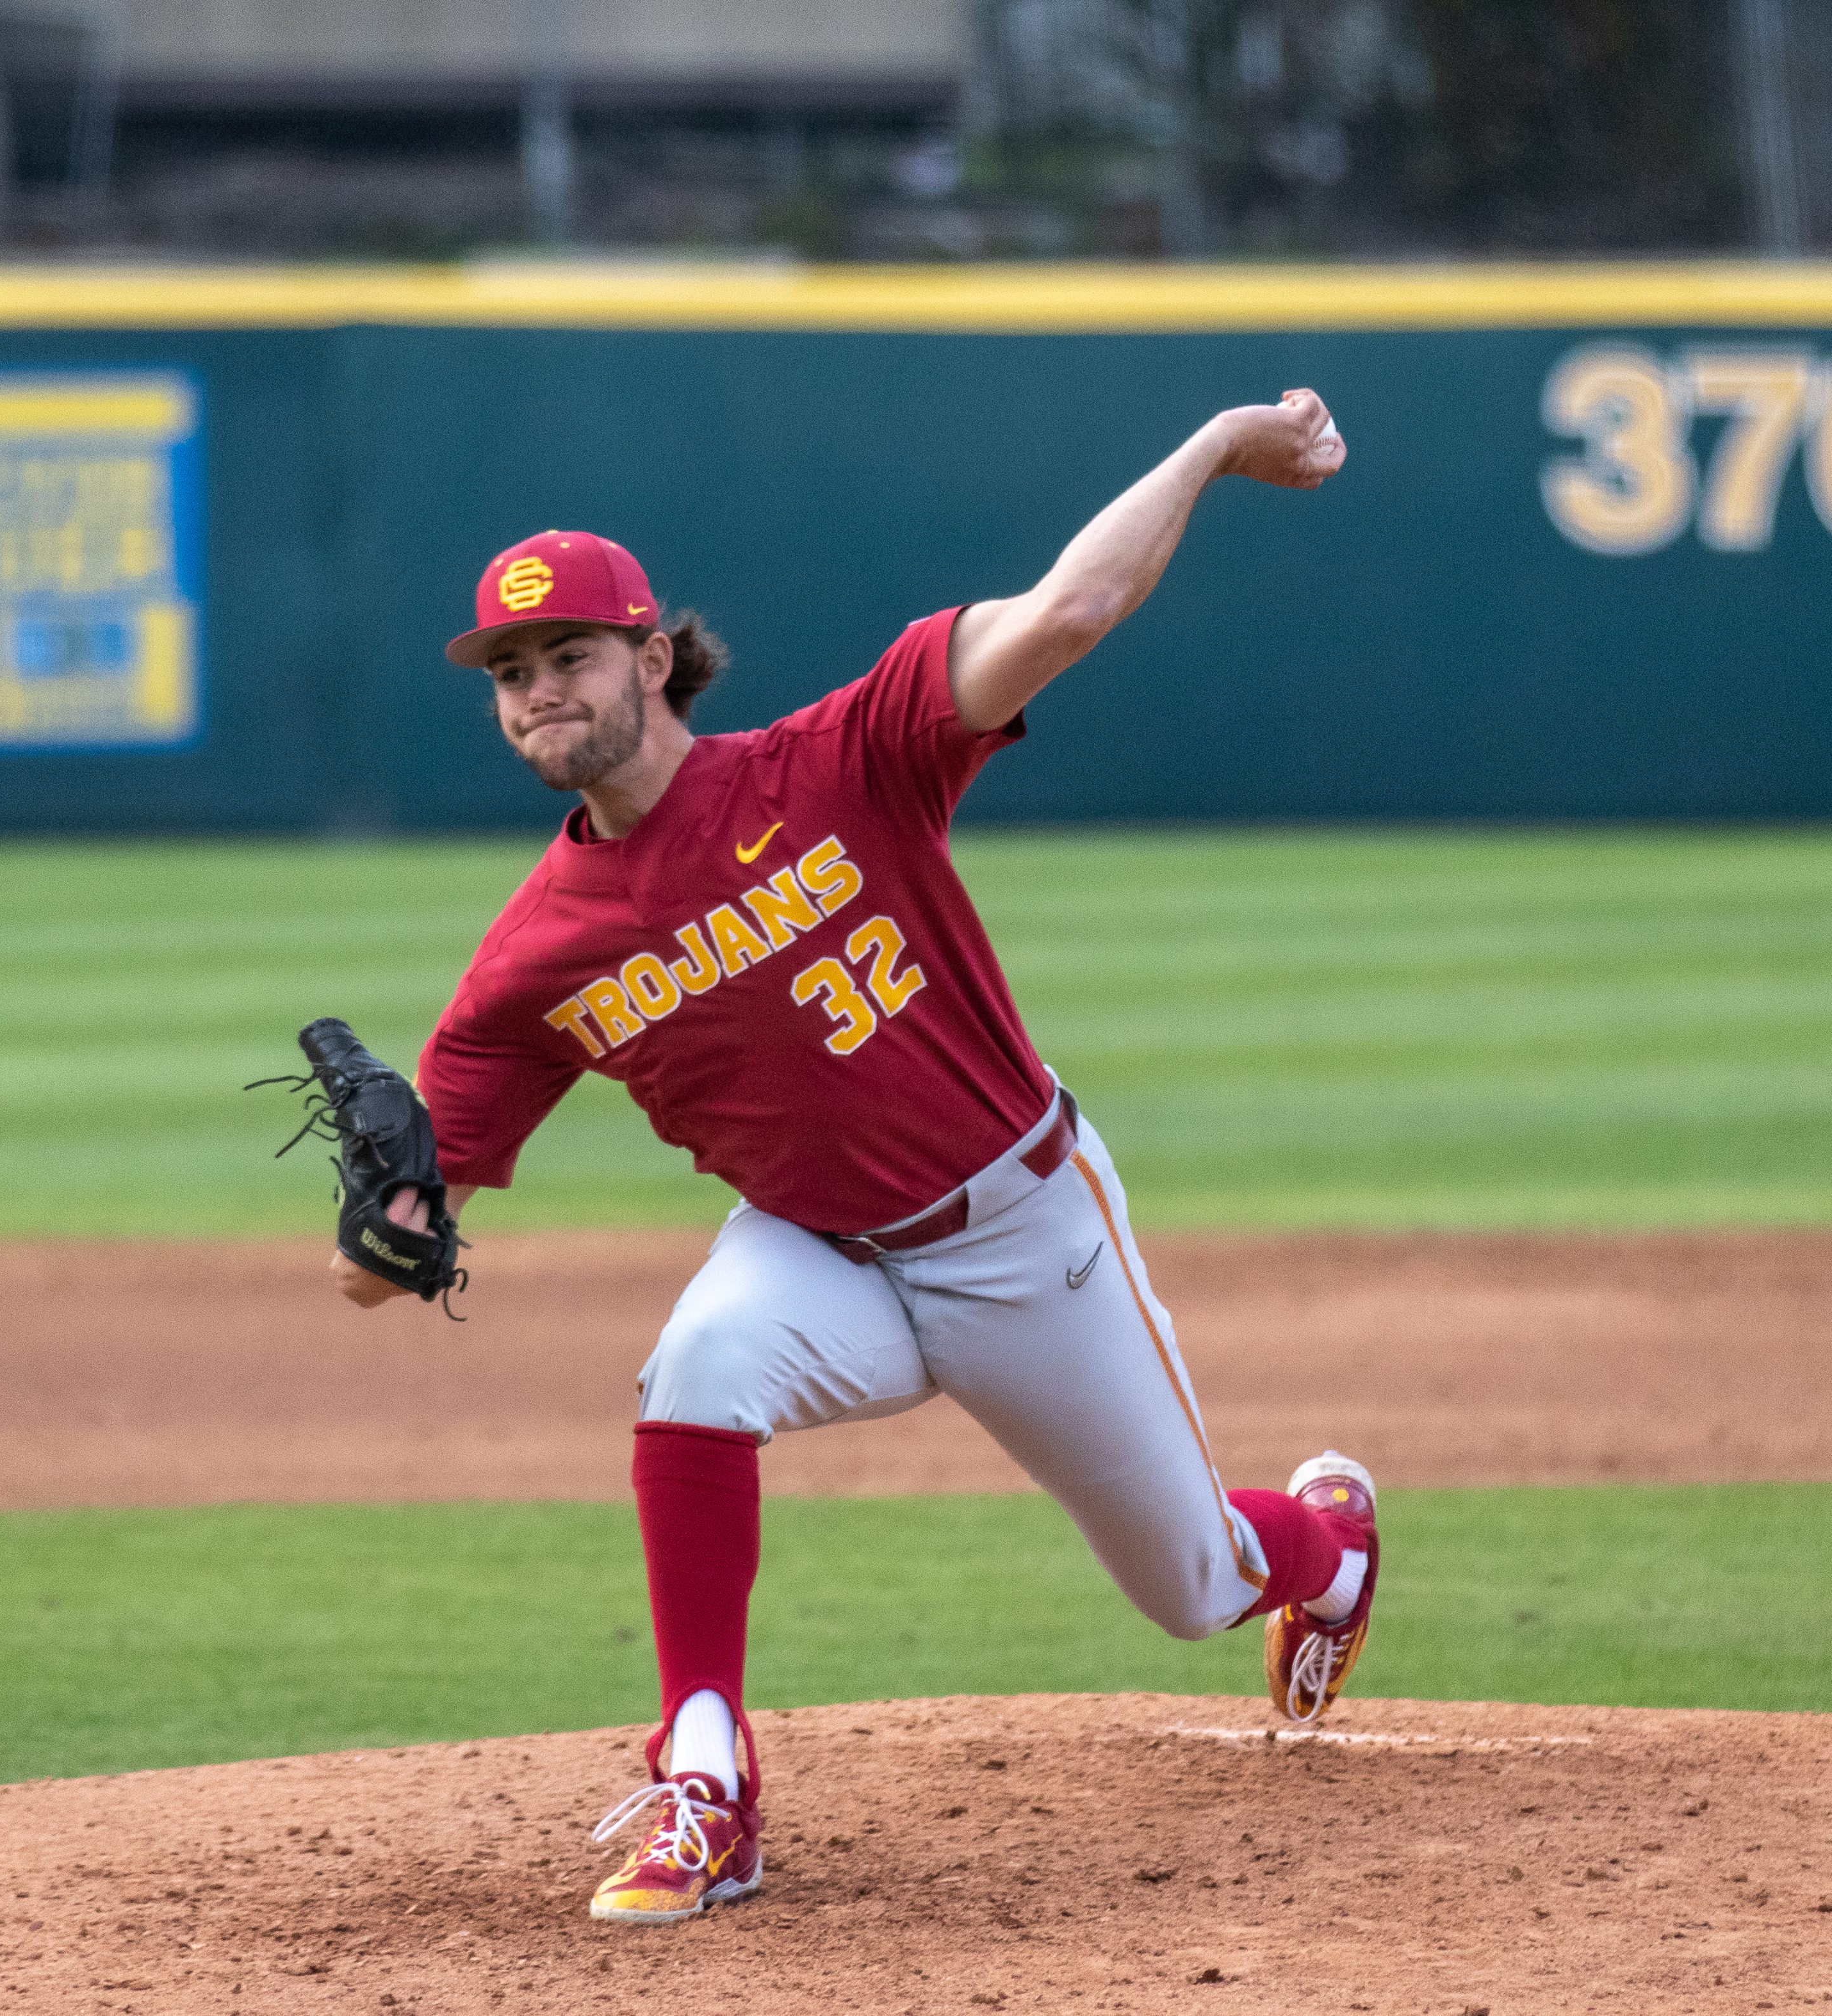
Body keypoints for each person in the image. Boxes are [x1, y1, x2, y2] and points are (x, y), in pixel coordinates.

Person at [331, 389, 1373, 1926]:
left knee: (1194, 1584)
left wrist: (1219, 444)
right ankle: (710, 1785)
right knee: (695, 1366)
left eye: (569, 654)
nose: (538, 688)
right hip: (819, 1250)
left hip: (1026, 1229)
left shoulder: (845, 758)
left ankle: (1327, 1542)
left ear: (657, 658)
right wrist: (388, 1223)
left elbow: (1073, 605)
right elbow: (387, 1256)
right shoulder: (525, 968)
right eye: (509, 669)